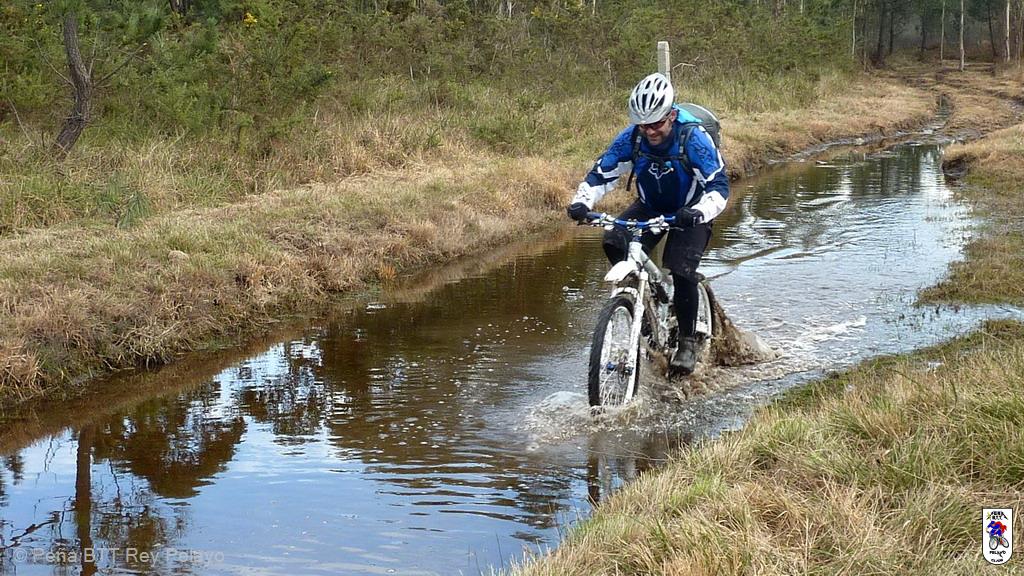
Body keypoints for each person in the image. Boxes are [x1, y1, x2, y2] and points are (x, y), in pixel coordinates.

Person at [566, 72, 729, 375]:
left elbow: (718, 186)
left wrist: (699, 212)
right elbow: (602, 173)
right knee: (614, 240)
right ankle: (645, 304)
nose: (650, 131)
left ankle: (687, 341)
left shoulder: (693, 138)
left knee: (680, 269)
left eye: (656, 123)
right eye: (643, 125)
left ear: (671, 115)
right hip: (650, 205)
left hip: (691, 210)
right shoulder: (633, 138)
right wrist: (582, 203)